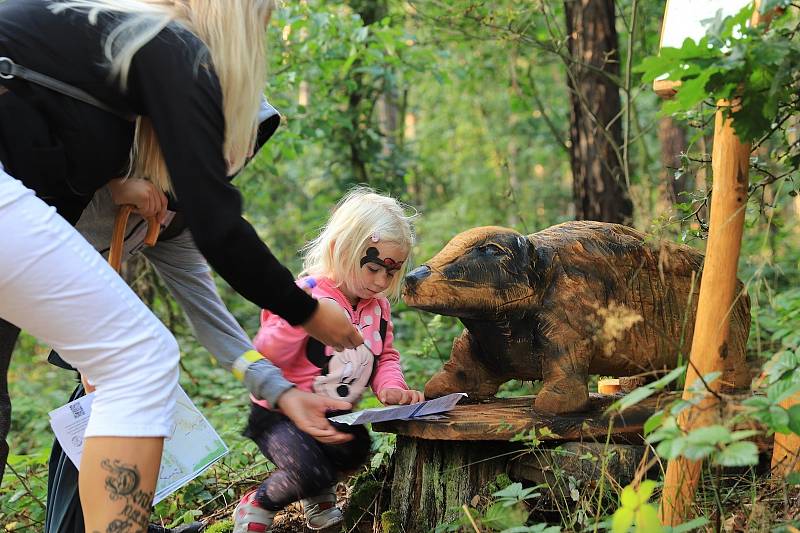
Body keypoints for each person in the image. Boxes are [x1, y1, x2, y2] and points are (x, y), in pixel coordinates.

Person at [0, 1, 362, 530]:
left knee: (123, 365)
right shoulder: (163, 46)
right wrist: (308, 312)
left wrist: (281, 391)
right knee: (138, 359)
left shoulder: (168, 209)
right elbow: (224, 229)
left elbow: (212, 317)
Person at [233, 188, 426, 533]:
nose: (381, 281)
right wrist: (303, 316)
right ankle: (258, 504)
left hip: (335, 412)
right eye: (373, 269)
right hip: (282, 412)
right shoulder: (305, 295)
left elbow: (385, 356)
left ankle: (318, 494)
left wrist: (392, 387)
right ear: (341, 250)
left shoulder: (377, 307)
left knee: (358, 448)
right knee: (307, 466)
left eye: (391, 273)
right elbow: (266, 351)